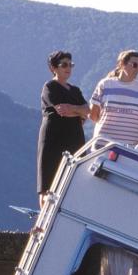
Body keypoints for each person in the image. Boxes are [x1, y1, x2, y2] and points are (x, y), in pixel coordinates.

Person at [37, 51, 89, 203]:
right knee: (48, 183)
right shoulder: (50, 86)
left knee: (72, 179)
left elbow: (88, 110)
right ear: (53, 68)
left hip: (74, 137)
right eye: (64, 65)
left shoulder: (75, 90)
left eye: (70, 65)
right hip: (53, 138)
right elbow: (61, 110)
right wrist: (78, 112)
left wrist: (73, 110)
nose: (68, 68)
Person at [89, 50, 138, 147]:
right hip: (103, 144)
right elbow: (93, 114)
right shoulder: (105, 84)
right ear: (122, 64)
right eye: (134, 65)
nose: (137, 69)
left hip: (130, 147)